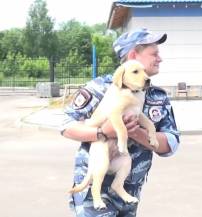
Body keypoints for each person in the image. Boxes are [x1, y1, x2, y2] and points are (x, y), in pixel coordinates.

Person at [61, 28, 180, 217]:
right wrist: (102, 132)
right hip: (94, 194)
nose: (160, 58)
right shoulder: (99, 88)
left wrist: (135, 132)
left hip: (129, 194)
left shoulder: (158, 96)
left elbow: (170, 144)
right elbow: (66, 126)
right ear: (133, 55)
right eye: (154, 53)